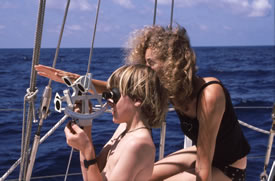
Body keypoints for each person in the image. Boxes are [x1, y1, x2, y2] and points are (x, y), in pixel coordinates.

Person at [35, 24, 250, 181]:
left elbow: (205, 161)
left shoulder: (209, 95)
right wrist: (76, 79)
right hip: (197, 154)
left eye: (150, 63)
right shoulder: (171, 88)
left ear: (172, 62)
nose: (146, 69)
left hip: (227, 167)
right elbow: (122, 91)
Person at [63, 64, 168, 181]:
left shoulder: (138, 144)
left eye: (114, 95)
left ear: (137, 99)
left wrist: (87, 149)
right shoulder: (124, 129)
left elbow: (90, 163)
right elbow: (91, 174)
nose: (109, 101)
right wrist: (85, 124)